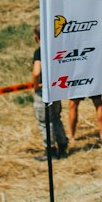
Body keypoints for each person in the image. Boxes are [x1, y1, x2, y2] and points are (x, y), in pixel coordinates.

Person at [32, 26, 67, 160]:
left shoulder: (39, 52)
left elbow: (36, 72)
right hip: (55, 89)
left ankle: (50, 151)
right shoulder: (55, 50)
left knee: (45, 122)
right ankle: (63, 146)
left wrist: (36, 86)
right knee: (56, 118)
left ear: (36, 37)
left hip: (43, 92)